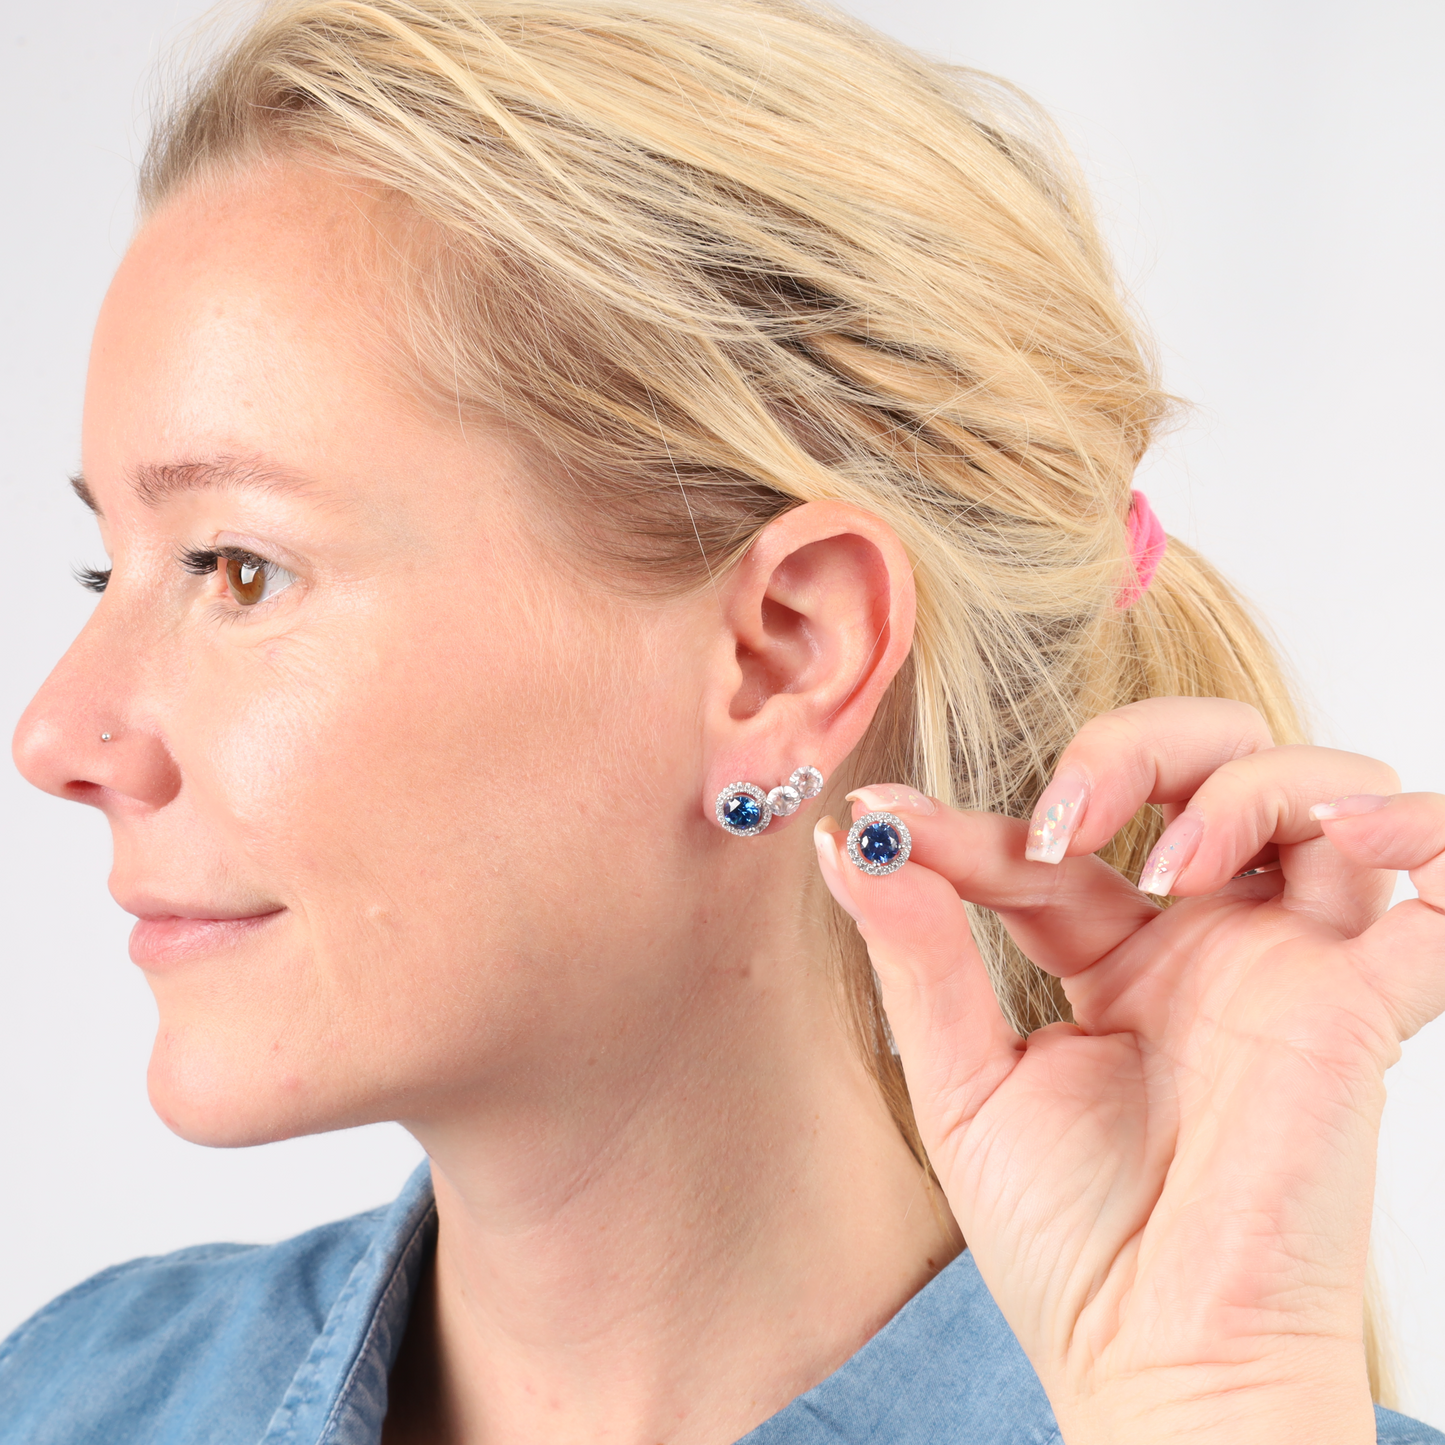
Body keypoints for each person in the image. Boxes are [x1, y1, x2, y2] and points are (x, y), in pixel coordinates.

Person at [2, 1, 1442, 1441]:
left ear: (782, 656)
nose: (58, 734)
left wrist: (1211, 1402)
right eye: (105, 565)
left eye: (237, 569)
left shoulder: (1242, 1411)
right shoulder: (73, 1398)